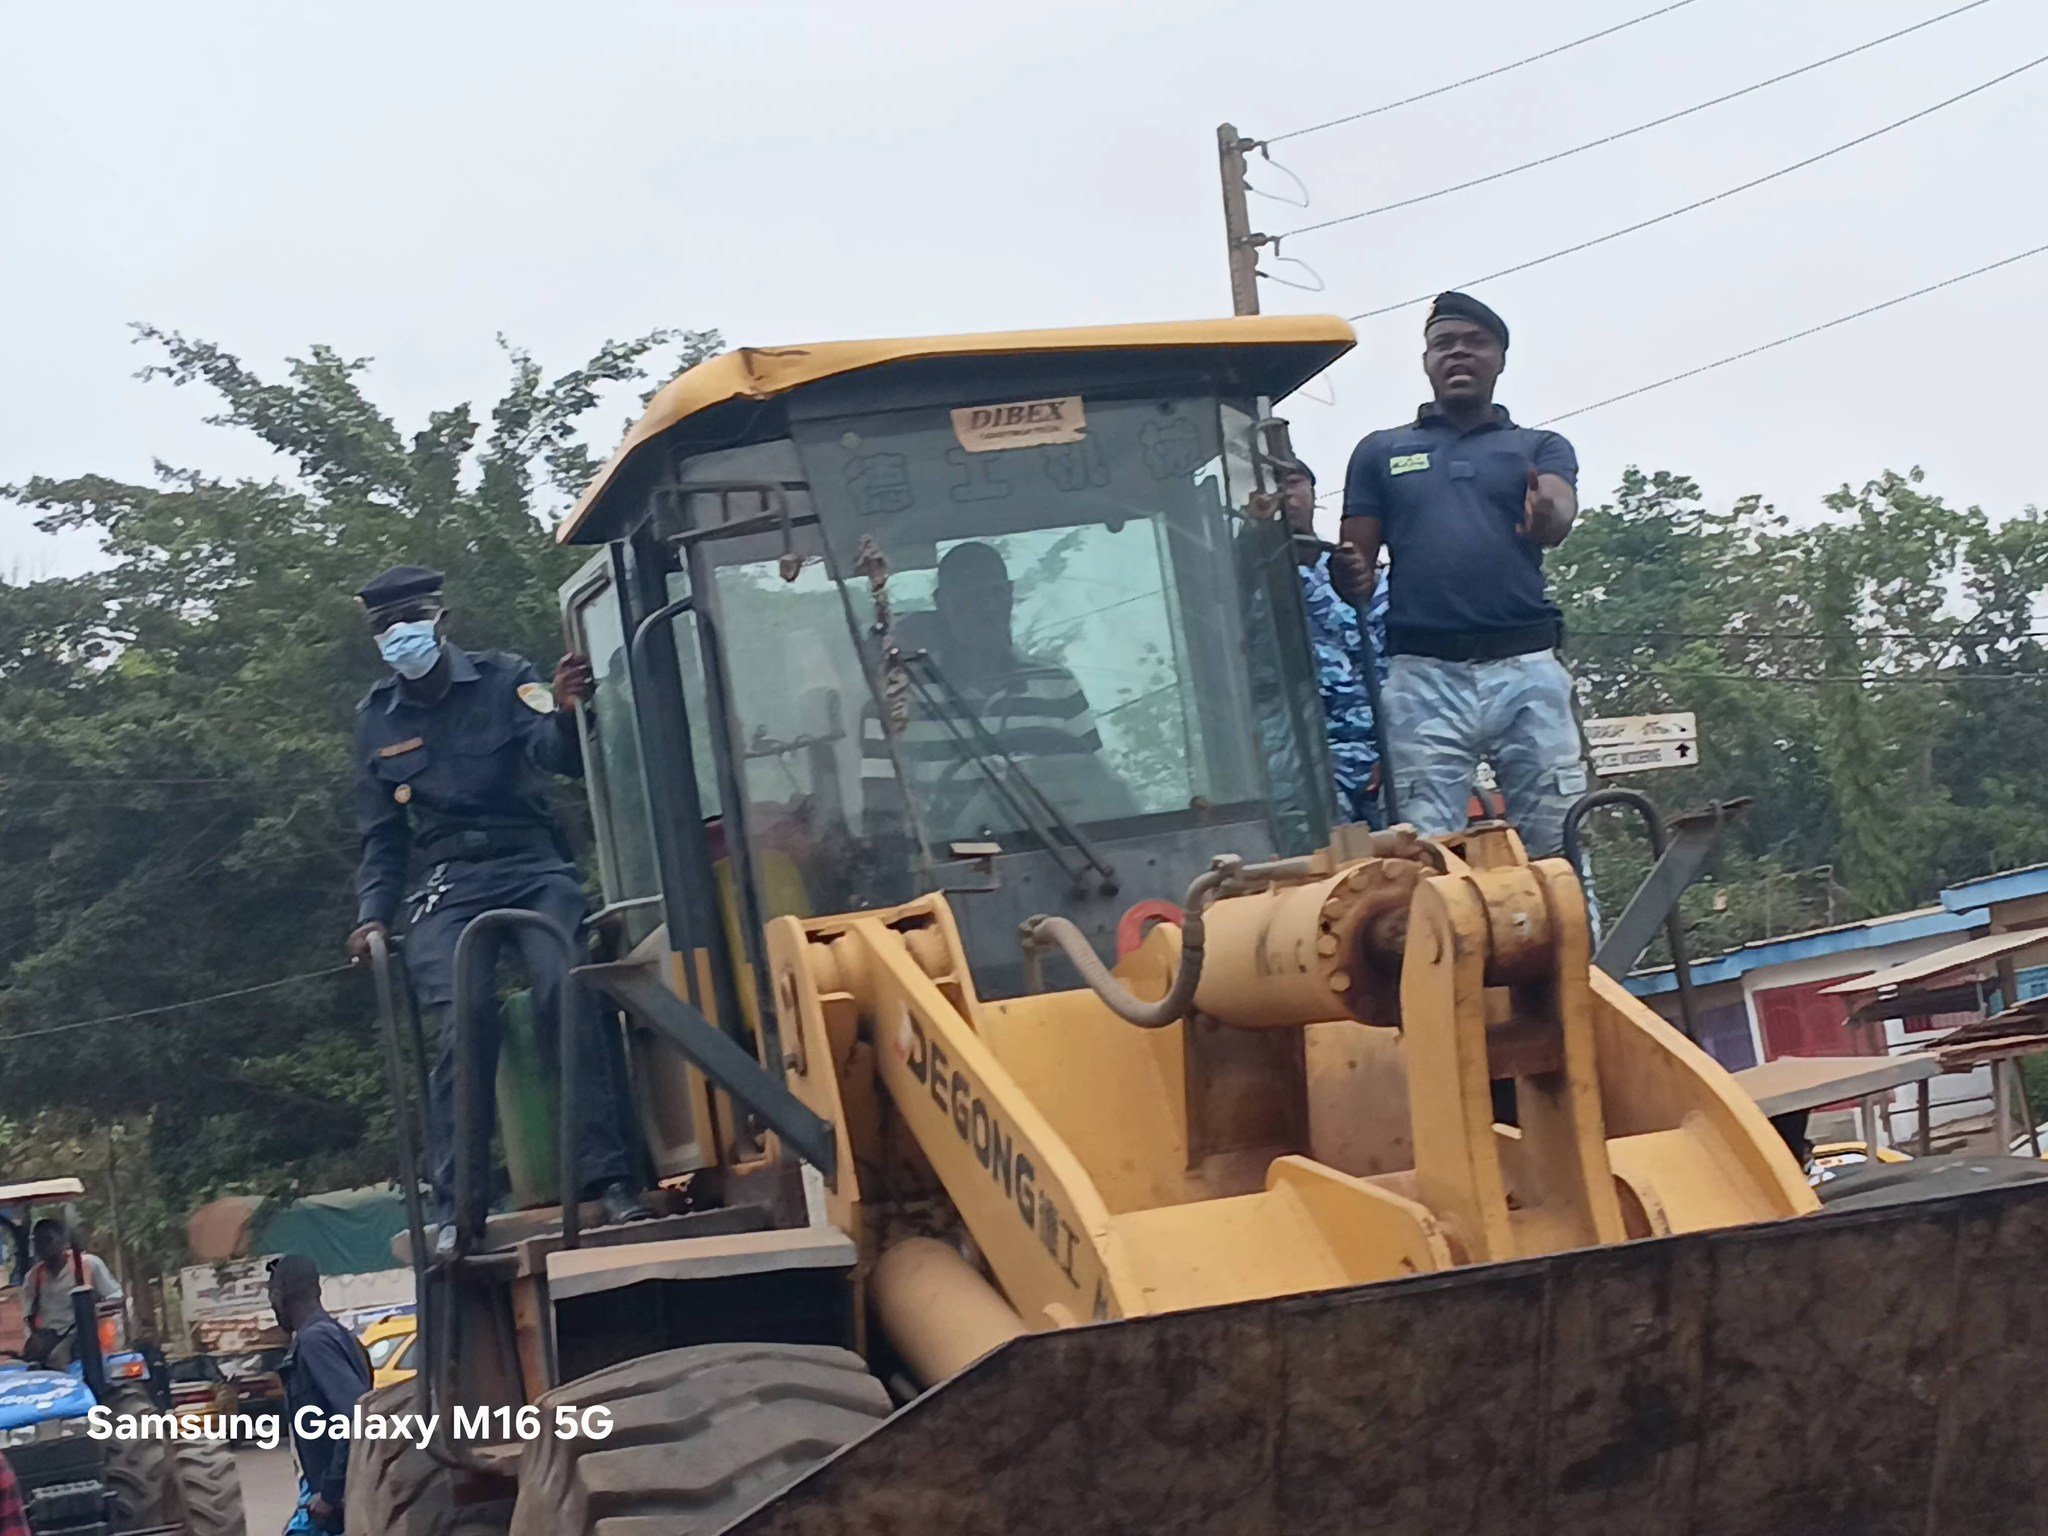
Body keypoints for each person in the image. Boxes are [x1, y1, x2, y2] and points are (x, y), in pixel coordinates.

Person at [344, 566, 647, 1247]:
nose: (399, 634)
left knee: (562, 992)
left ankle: (610, 1181)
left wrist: (569, 713)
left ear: (440, 618)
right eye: (385, 627)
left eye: (410, 619)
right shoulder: (375, 720)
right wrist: (371, 915)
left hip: (531, 865)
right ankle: (459, 1209)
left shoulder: (508, 676)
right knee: (467, 1015)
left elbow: (556, 755)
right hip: (449, 884)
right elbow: (382, 839)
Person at [1337, 290, 1590, 857]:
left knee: (1560, 841)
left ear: (1501, 357)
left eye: (1474, 343)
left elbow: (1558, 512)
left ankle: (1578, 946)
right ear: (1425, 361)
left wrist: (1548, 513)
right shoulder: (1380, 452)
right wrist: (1347, 572)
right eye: (1442, 344)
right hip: (1424, 676)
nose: (1458, 354)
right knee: (1424, 853)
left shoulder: (1540, 446)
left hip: (1526, 668)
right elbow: (1355, 570)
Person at [858, 541, 1135, 838]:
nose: (988, 609)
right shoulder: (896, 703)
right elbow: (884, 827)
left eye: (996, 594)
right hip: (951, 871)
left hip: (1069, 862)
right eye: (970, 599)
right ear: (942, 603)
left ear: (1011, 596)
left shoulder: (1057, 686)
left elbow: (1097, 790)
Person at [1279, 460, 1389, 827]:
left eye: (1294, 482)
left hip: (1387, 758)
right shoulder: (1243, 586)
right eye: (1272, 484)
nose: (1285, 494)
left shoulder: (1360, 573)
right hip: (1302, 772)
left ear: (1312, 491)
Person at [268, 1255, 370, 1535]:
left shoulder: (315, 1342)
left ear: (280, 1296)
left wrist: (329, 1494)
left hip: (336, 1504)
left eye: (271, 1297)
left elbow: (358, 1415)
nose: (272, 1307)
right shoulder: (341, 1335)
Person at [20, 1218, 122, 1360]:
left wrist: (94, 1309)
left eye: (48, 1240)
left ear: (62, 1240)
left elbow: (116, 1298)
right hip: (49, 1341)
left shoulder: (88, 1264)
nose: (42, 1246)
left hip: (84, 1338)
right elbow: (29, 1316)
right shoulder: (32, 1277)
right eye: (38, 1242)